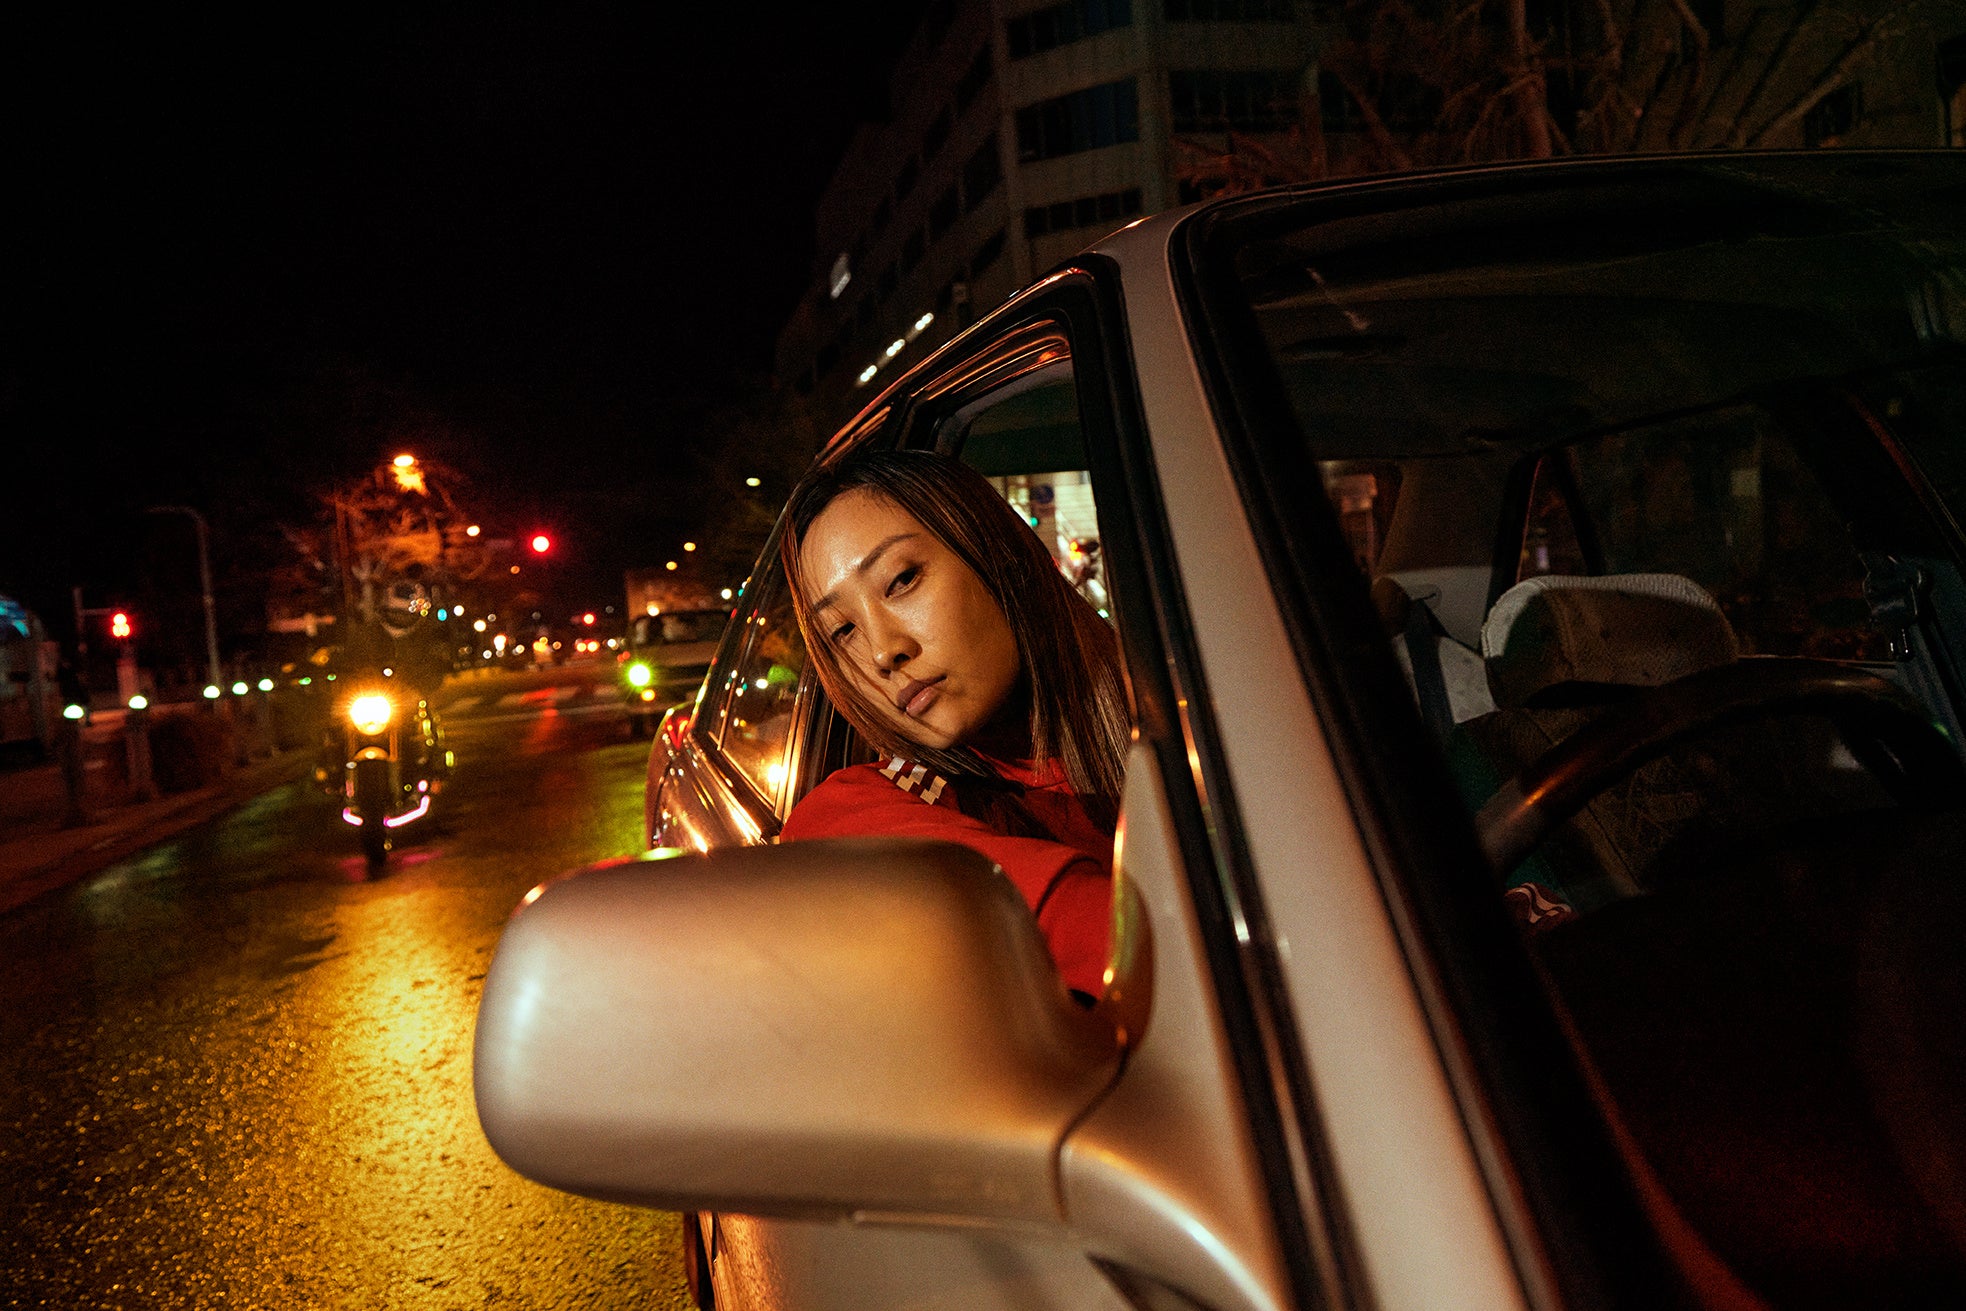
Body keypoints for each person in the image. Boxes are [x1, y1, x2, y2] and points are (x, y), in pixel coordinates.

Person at [777, 448, 1130, 1000]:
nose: (882, 652)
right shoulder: (858, 814)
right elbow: (1142, 951)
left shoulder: (1202, 721)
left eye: (901, 580)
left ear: (1000, 557)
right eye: (842, 631)